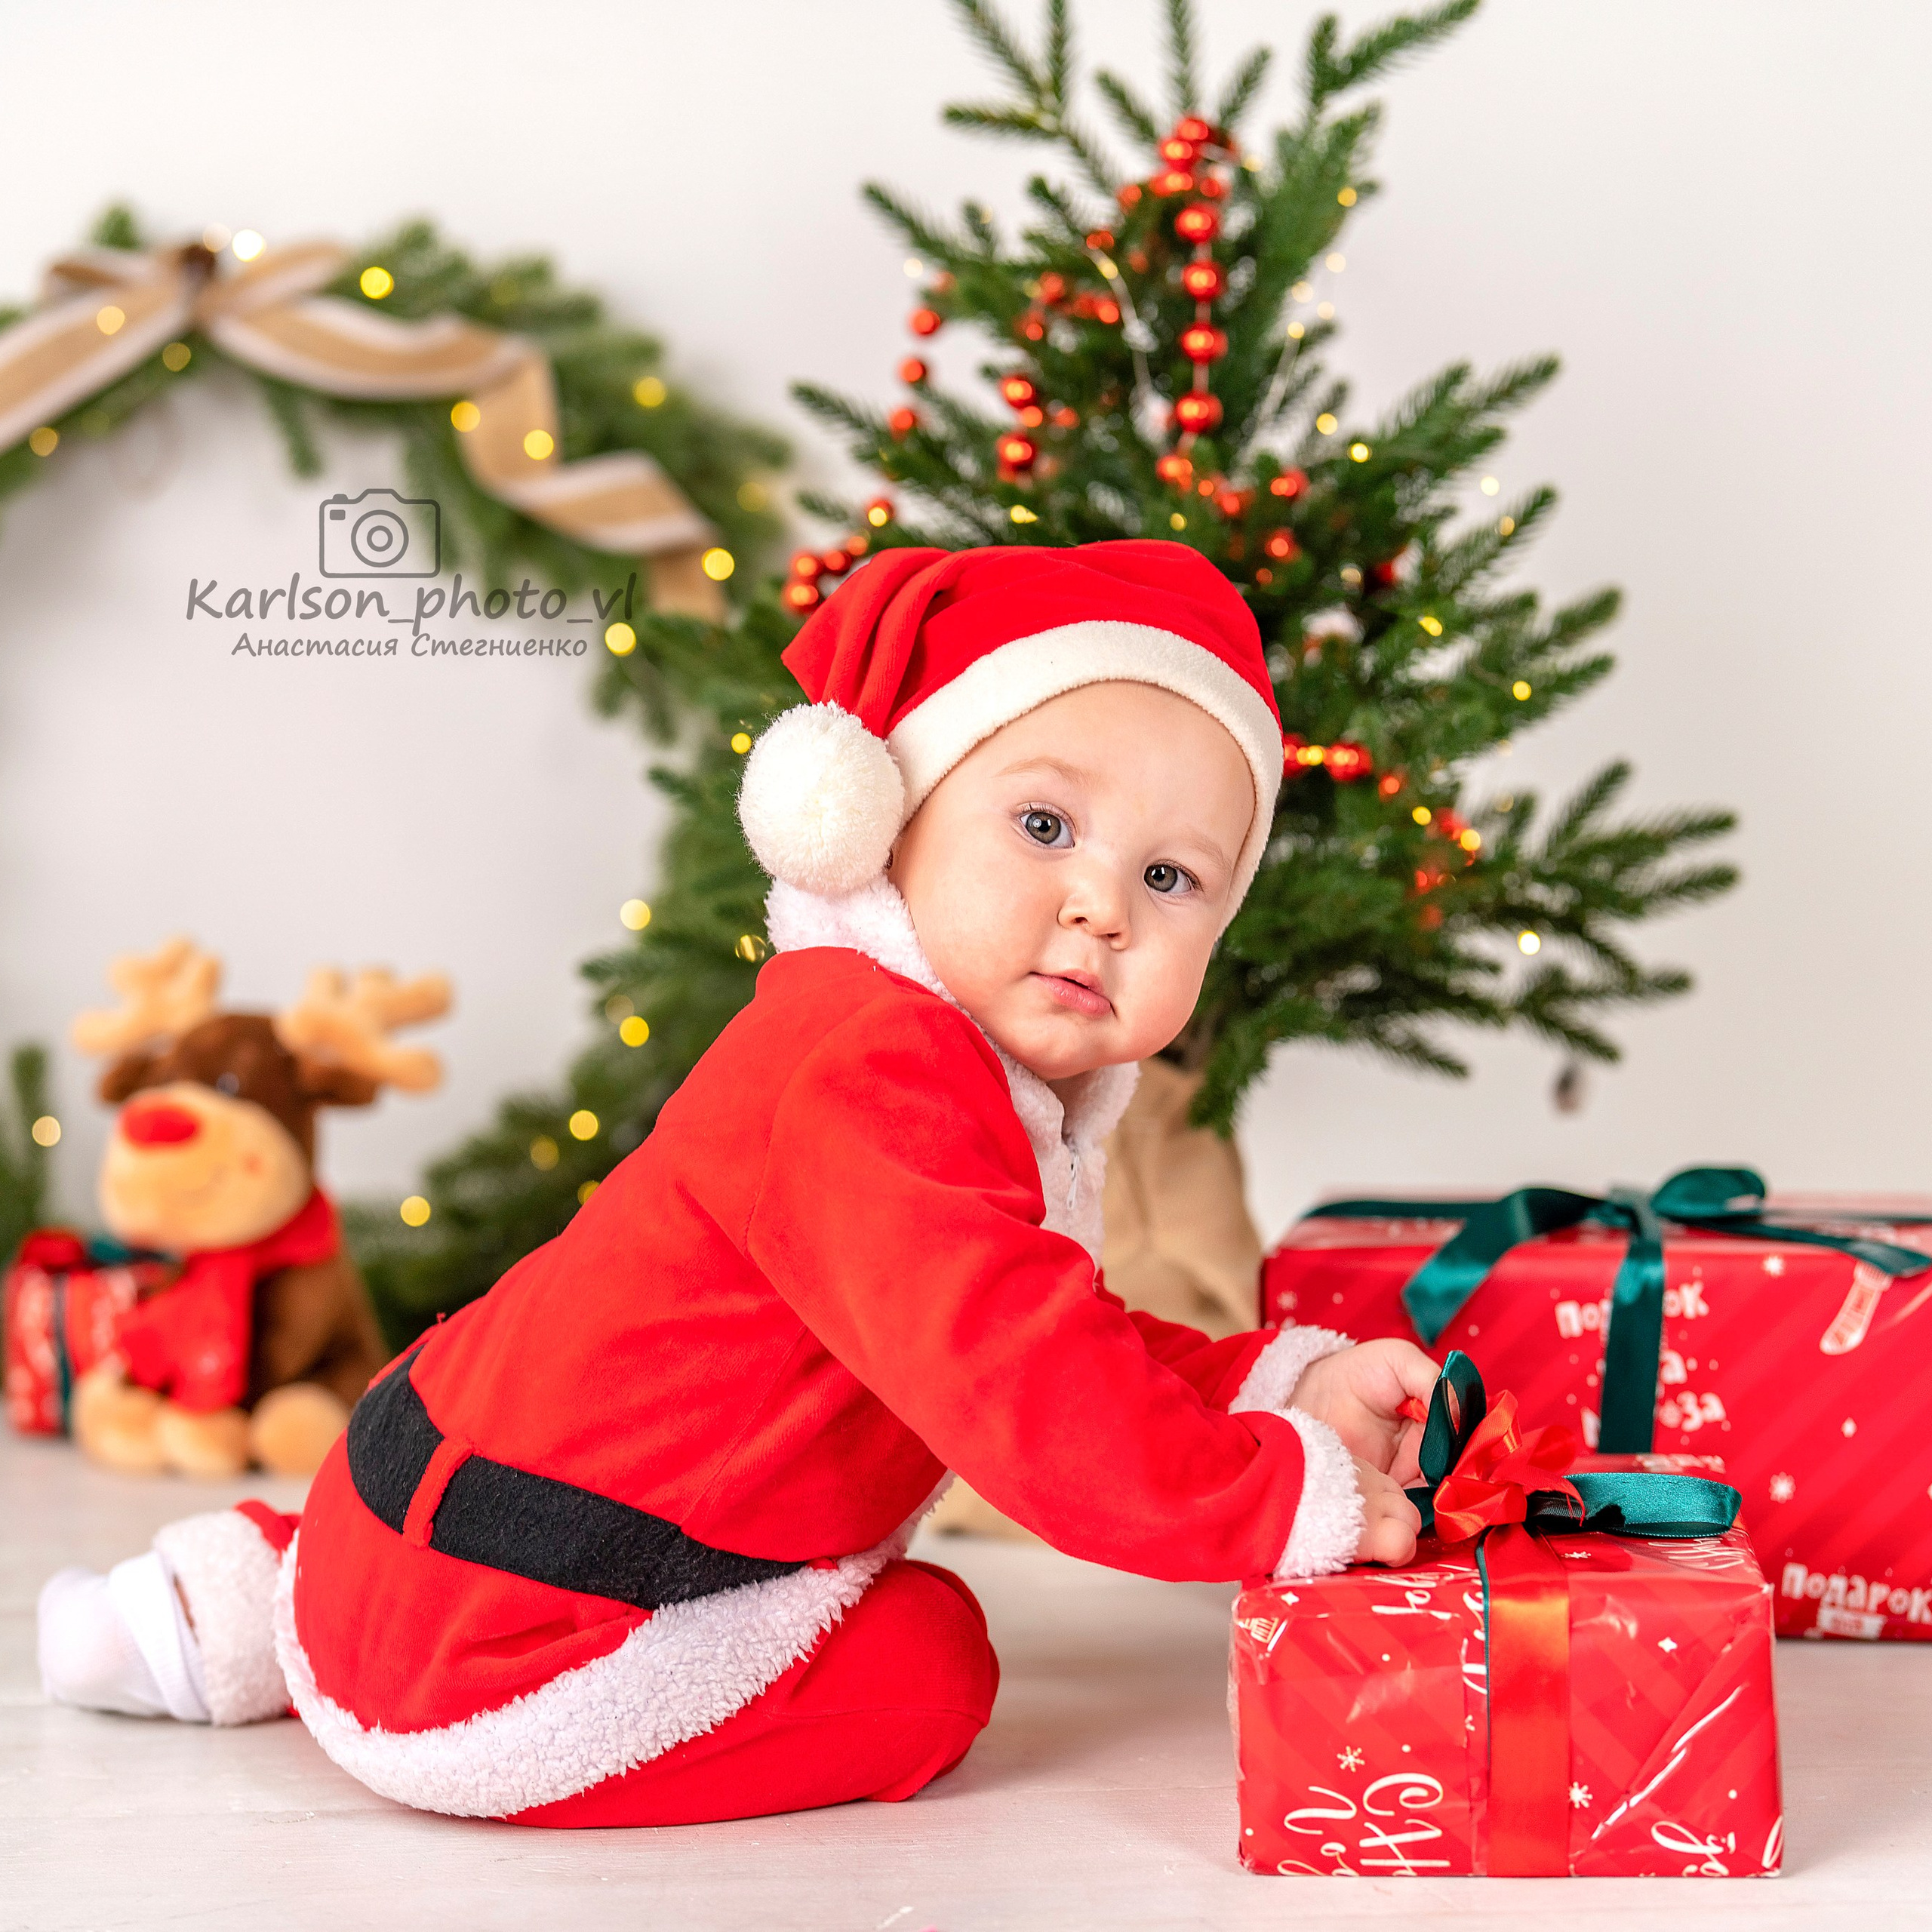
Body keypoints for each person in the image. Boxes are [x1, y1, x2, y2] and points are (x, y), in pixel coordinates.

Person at [38, 540, 1432, 1826]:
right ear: (884, 820)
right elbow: (1031, 1395)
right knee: (930, 1664)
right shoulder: (877, 1076)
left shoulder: (891, 1041)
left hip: (396, 1507)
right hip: (515, 1646)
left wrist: (1274, 1387)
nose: (1104, 906)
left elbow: (1045, 1332)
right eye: (1047, 828)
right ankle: (365, 1666)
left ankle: (213, 1612)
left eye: (1176, 876)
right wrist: (1276, 1497)